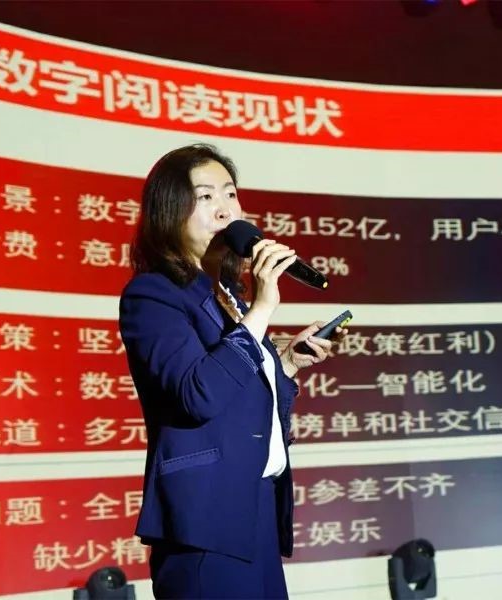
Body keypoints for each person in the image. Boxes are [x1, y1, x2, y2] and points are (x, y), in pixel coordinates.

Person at [119, 144, 346, 599]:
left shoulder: (226, 297)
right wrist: (261, 309)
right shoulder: (153, 295)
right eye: (205, 197)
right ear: (169, 212)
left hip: (255, 507)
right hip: (205, 519)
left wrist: (286, 361)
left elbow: (239, 393)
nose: (225, 210)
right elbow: (197, 393)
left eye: (230, 194)